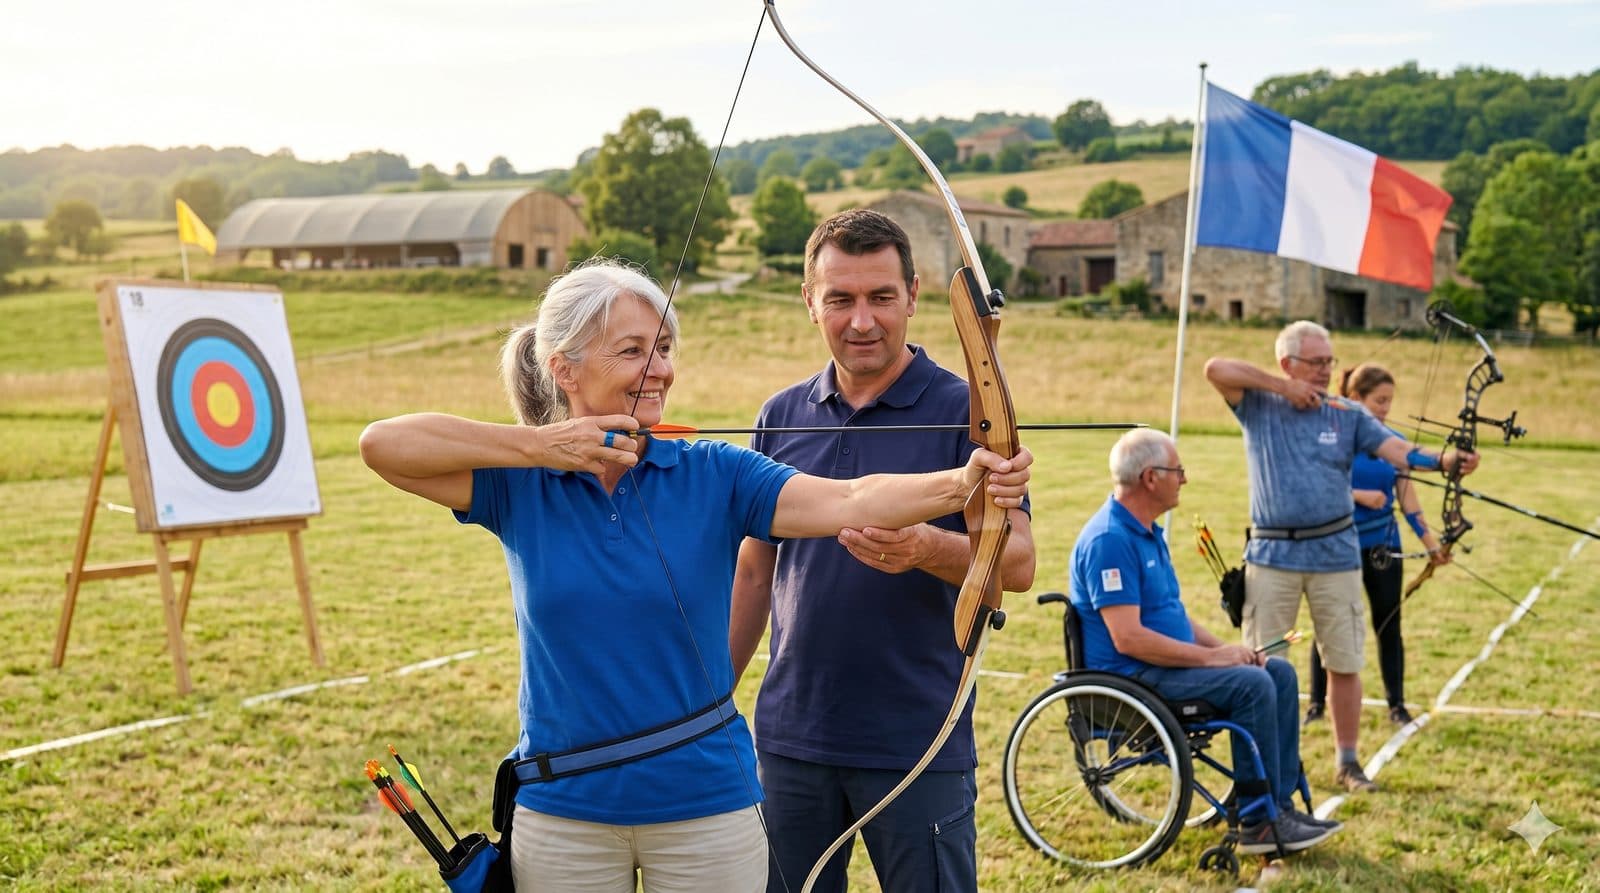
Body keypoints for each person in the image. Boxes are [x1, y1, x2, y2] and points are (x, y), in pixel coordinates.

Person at [358, 258, 1032, 893]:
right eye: (632, 351)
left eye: (664, 349)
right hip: (563, 807)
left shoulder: (715, 471)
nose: (658, 370)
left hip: (706, 803)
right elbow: (382, 444)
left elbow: (849, 499)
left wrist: (962, 481)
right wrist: (540, 446)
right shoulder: (521, 486)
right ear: (564, 367)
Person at [728, 209, 1036, 893]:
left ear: (915, 295)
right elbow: (755, 568)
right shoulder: (781, 413)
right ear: (810, 301)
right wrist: (714, 692)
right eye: (840, 298)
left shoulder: (972, 411)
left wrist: (928, 546)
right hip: (792, 737)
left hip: (918, 738)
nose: (861, 320)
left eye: (880, 297)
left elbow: (1015, 564)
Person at [1204, 321, 1477, 794]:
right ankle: (1261, 769)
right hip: (1272, 554)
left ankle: (1348, 763)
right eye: (1317, 363)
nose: (1327, 370)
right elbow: (1215, 368)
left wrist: (1446, 461)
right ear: (1288, 363)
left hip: (1336, 553)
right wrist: (1282, 388)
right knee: (1261, 664)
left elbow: (1397, 449)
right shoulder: (1258, 404)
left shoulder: (1345, 412)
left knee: (1344, 660)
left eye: (1331, 362)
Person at [1069, 428, 1341, 855]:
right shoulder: (1110, 540)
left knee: (1278, 672)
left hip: (1162, 668)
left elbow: (1172, 616)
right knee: (1252, 686)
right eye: (1178, 470)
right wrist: (1214, 662)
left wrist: (1228, 652)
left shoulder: (1146, 530)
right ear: (1150, 478)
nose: (1185, 479)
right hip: (1134, 679)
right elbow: (1129, 639)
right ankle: (1258, 822)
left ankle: (1279, 806)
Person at [1304, 363, 1447, 729]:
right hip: (1339, 546)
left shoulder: (1393, 443)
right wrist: (1357, 496)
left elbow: (1407, 497)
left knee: (1389, 624)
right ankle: (1317, 704)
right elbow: (1315, 489)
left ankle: (1397, 705)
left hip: (1384, 547)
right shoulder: (1331, 439)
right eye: (1379, 400)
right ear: (1356, 399)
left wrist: (1432, 544)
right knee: (1330, 625)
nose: (1385, 408)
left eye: (1389, 401)